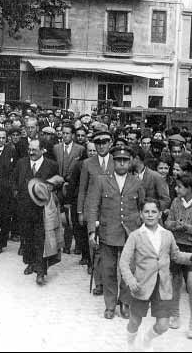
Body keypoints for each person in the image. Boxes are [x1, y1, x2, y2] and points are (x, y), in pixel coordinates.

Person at [119, 199, 192, 352]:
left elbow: (176, 255)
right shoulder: (136, 236)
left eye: (153, 212)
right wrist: (130, 280)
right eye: (146, 212)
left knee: (163, 325)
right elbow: (124, 262)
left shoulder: (167, 235)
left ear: (159, 215)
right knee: (134, 321)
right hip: (141, 286)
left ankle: (147, 340)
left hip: (162, 285)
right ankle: (130, 345)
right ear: (141, 214)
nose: (150, 215)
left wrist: (191, 257)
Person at [86, 145, 145, 320]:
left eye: (125, 160)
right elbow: (92, 207)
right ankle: (110, 305)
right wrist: (92, 231)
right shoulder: (102, 180)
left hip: (130, 233)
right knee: (108, 270)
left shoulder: (136, 182)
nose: (121, 164)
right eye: (118, 160)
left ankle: (125, 303)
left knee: (129, 270)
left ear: (130, 162)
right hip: (107, 232)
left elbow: (143, 207)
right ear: (113, 161)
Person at [165, 174, 192, 338]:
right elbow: (168, 223)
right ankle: (175, 315)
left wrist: (187, 227)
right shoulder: (176, 202)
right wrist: (176, 225)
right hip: (176, 246)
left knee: (191, 284)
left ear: (189, 189)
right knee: (175, 282)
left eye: (179, 186)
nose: (176, 189)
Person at [12, 138, 59, 285]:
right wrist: (16, 193)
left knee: (41, 240)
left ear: (43, 150)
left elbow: (57, 184)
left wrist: (51, 189)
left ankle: (41, 272)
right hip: (24, 210)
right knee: (28, 238)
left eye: (34, 150)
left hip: (42, 211)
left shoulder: (51, 165)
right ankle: (31, 263)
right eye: (29, 149)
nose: (31, 152)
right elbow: (13, 181)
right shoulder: (21, 163)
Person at [77, 130, 115, 294]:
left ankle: (110, 281)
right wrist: (80, 211)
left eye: (104, 142)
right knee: (95, 246)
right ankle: (99, 283)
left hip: (112, 210)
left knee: (111, 247)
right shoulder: (87, 163)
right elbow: (82, 189)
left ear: (110, 143)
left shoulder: (118, 161)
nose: (101, 146)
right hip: (93, 210)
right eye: (98, 143)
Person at [53, 123, 85, 254]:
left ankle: (77, 244)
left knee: (72, 217)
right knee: (59, 216)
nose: (65, 136)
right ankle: (63, 244)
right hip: (58, 186)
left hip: (72, 187)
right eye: (63, 133)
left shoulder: (80, 149)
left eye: (67, 133)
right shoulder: (56, 148)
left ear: (72, 135)